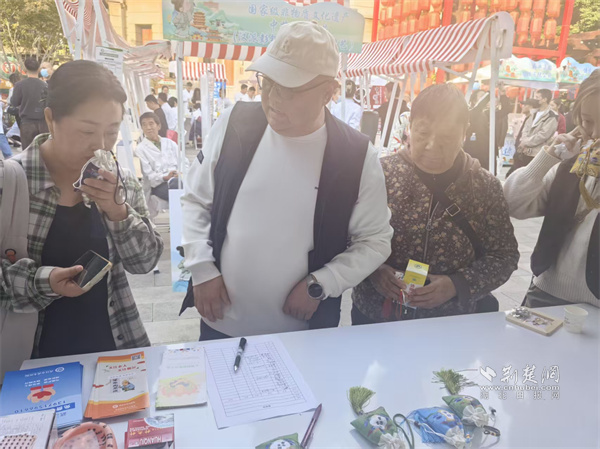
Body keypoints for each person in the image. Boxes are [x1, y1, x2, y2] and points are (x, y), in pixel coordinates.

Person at [180, 21, 392, 340]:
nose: (273, 98)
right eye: (268, 82)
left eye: (290, 89)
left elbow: (375, 240)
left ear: (328, 92)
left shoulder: (356, 156)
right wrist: (201, 269)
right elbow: (195, 200)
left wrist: (322, 283)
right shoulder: (235, 125)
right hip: (220, 322)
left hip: (304, 333)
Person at [0, 60, 164, 358]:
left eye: (111, 132)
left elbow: (144, 262)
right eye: (87, 131)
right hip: (32, 357)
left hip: (114, 348)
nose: (100, 145)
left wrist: (118, 211)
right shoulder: (10, 182)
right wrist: (43, 282)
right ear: (51, 119)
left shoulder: (121, 181)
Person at [352, 84, 519, 324]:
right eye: (422, 133)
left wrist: (457, 285)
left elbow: (504, 255)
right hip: (375, 314)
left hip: (450, 322)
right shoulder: (379, 174)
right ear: (409, 127)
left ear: (464, 133)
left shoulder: (484, 186)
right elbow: (347, 235)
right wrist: (373, 271)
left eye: (446, 137)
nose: (431, 145)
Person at [504, 70, 600, 308]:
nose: (595, 133)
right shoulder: (569, 169)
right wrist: (549, 155)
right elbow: (512, 203)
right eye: (588, 121)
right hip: (546, 293)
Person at [136, 112, 188, 202]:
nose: (148, 128)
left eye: (151, 124)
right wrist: (165, 177)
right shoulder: (140, 149)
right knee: (178, 188)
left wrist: (181, 172)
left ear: (158, 126)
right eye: (144, 125)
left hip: (178, 179)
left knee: (190, 185)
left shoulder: (170, 143)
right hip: (158, 185)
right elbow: (149, 176)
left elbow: (184, 161)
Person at [507, 88, 558, 175]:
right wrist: (524, 140)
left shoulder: (551, 116)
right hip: (524, 152)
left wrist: (526, 142)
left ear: (544, 99)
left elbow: (543, 135)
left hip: (537, 153)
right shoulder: (533, 113)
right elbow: (525, 129)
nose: (535, 99)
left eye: (537, 97)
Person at [10, 58, 48, 149]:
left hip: (27, 123)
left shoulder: (20, 85)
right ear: (39, 69)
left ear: (25, 69)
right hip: (43, 123)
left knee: (28, 152)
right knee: (43, 151)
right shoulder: (45, 85)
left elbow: (14, 102)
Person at [377, 82, 409, 147]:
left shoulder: (385, 107)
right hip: (401, 143)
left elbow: (373, 115)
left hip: (387, 142)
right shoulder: (405, 108)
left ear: (391, 92)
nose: (384, 93)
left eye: (385, 91)